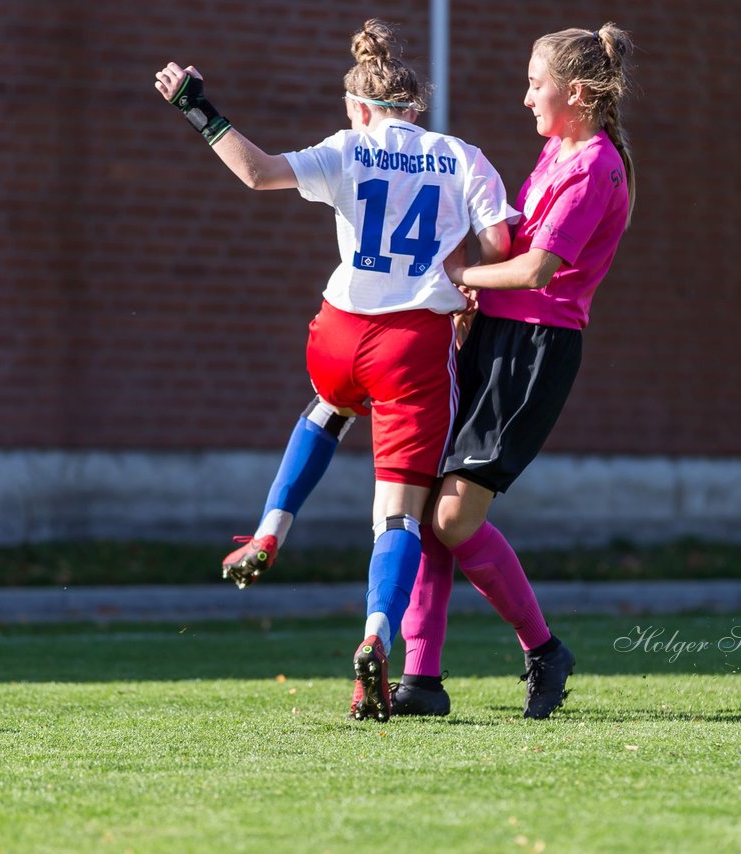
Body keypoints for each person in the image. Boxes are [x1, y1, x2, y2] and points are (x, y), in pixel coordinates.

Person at [155, 19, 514, 722]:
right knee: (400, 518)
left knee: (327, 407)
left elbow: (256, 171)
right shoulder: (462, 157)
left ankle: (269, 528)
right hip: (413, 344)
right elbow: (496, 246)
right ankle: (377, 635)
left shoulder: (346, 148)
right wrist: (463, 279)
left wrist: (200, 110)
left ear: (358, 107)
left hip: (340, 332)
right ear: (416, 109)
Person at [393, 23, 637, 720]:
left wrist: (462, 274)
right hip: (495, 335)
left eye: (537, 83)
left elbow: (536, 270)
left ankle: (545, 650)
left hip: (533, 353)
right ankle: (421, 681)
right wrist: (470, 295)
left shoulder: (594, 165)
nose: (526, 97)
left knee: (452, 514)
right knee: (429, 506)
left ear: (579, 93)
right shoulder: (557, 151)